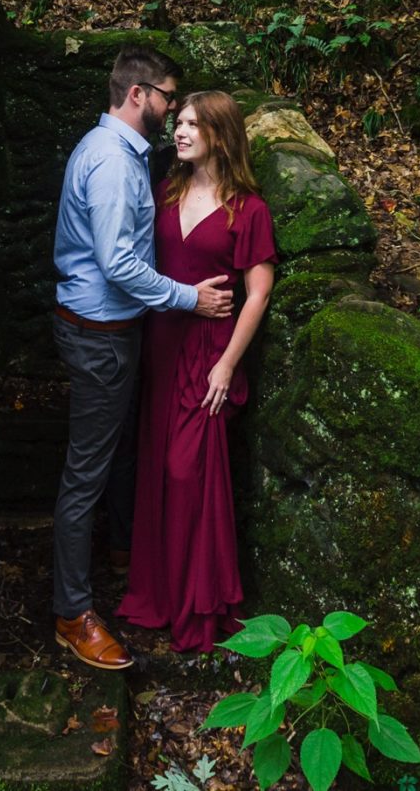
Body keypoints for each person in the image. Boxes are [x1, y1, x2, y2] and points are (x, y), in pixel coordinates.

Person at [51, 47, 233, 671]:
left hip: (116, 333)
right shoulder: (110, 163)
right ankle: (72, 613)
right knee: (87, 472)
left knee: (121, 451)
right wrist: (191, 298)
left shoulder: (131, 157)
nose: (172, 109)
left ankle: (130, 556)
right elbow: (117, 264)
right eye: (167, 98)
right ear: (139, 96)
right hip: (98, 337)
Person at [116, 90, 276, 652]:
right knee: (157, 468)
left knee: (192, 473)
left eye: (192, 124)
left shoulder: (248, 209)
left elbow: (257, 294)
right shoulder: (167, 192)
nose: (179, 132)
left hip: (209, 352)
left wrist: (227, 366)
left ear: (220, 134)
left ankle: (199, 605)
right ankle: (157, 597)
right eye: (177, 121)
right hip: (162, 342)